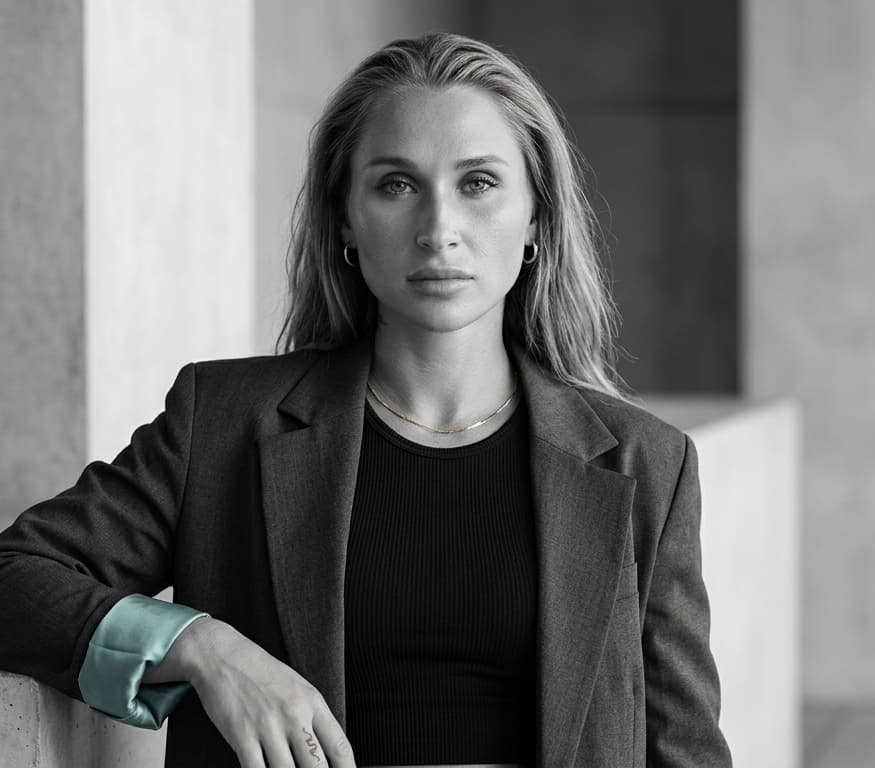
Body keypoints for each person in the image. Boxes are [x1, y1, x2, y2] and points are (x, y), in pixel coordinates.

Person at [0, 33, 731, 768]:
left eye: (478, 183)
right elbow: (15, 577)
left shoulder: (646, 465)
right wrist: (200, 645)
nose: (439, 231)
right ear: (346, 217)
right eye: (397, 185)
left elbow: (685, 749)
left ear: (536, 217)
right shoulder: (221, 423)